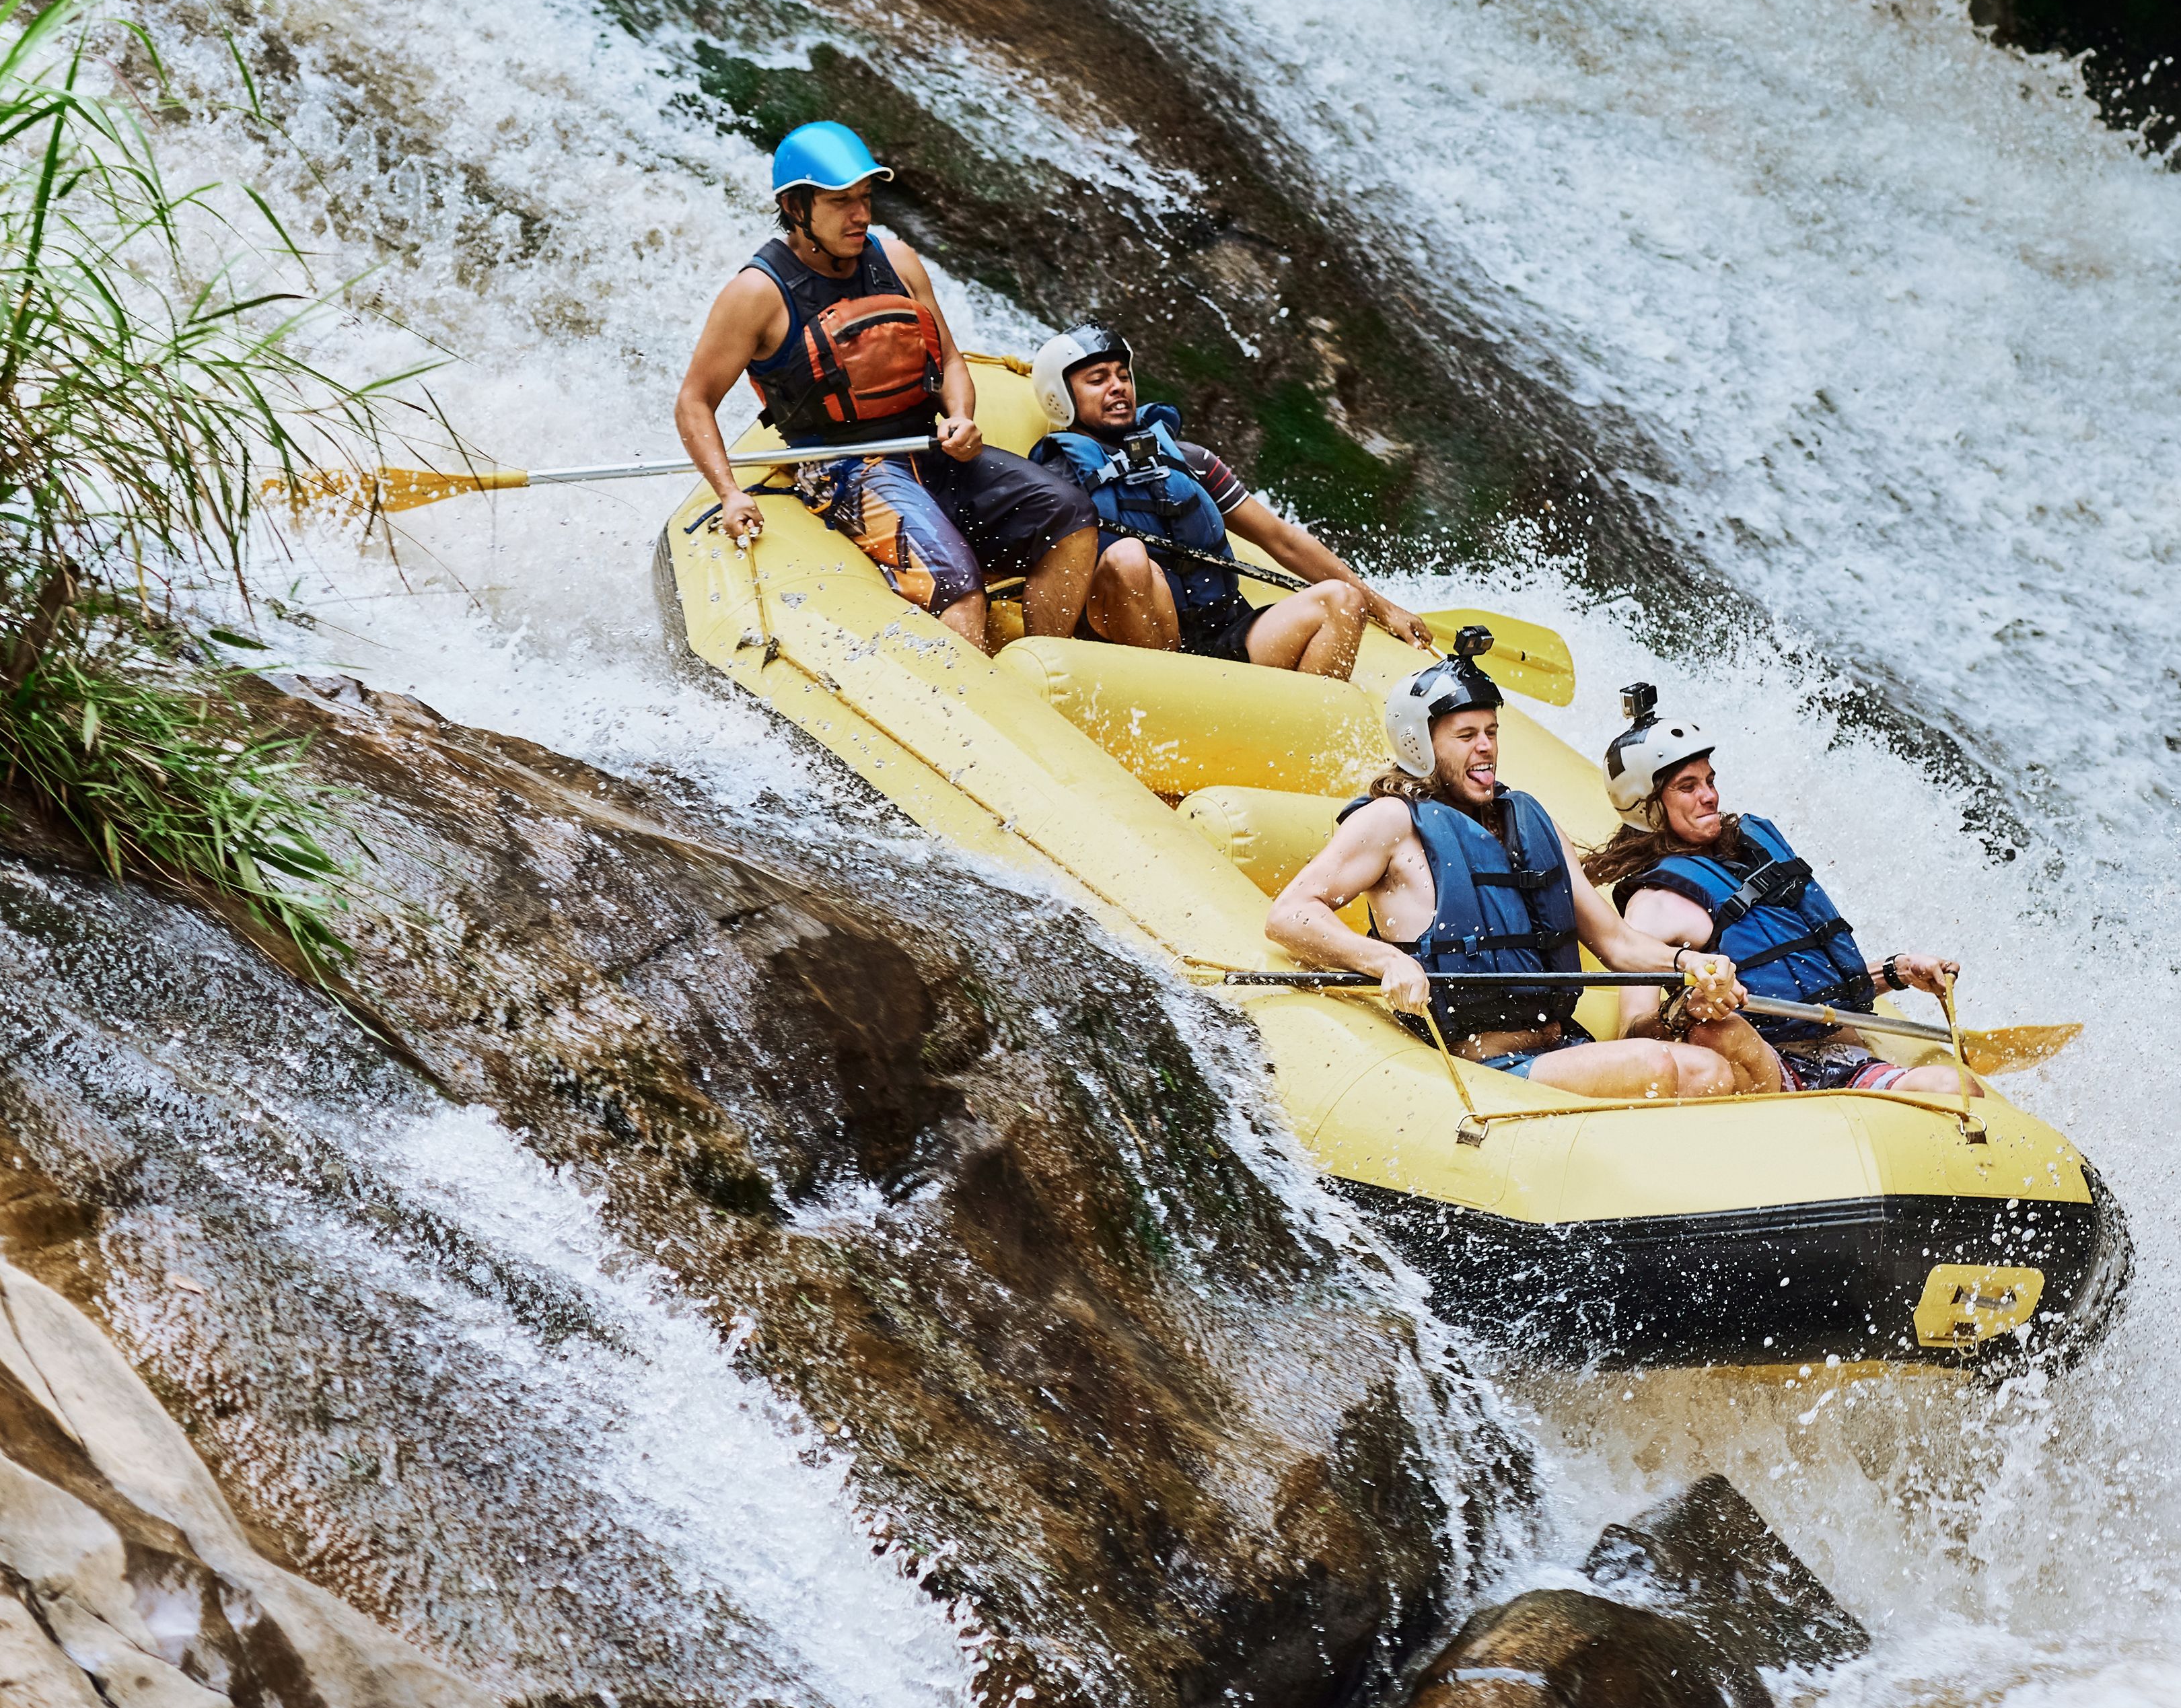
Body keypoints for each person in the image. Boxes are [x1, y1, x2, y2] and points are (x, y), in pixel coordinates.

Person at [1266, 638, 1787, 1099]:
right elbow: (1290, 915)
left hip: (1562, 1045)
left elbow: (1617, 944)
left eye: (1491, 731)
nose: (1486, 746)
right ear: (1419, 745)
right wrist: (1384, 961)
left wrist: (1686, 964)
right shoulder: (1390, 822)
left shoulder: (1527, 818)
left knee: (1721, 1061)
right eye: (1465, 735)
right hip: (1485, 1063)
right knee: (1669, 1067)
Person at [673, 124, 1100, 648]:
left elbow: (948, 360)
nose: (860, 215)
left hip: (929, 446)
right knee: (957, 586)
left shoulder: (896, 260)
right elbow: (694, 402)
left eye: (865, 198)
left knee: (1070, 511)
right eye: (840, 202)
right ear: (795, 206)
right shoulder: (757, 294)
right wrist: (729, 491)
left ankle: (1045, 669)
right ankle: (960, 711)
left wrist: (961, 416)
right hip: (845, 468)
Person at [1585, 688, 1976, 1099]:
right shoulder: (1653, 905)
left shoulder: (1755, 855)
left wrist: (1897, 971)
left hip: (1847, 1056)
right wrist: (1685, 1009)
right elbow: (1631, 1034)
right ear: (1647, 805)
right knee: (1718, 1030)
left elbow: (1810, 986)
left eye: (1710, 780)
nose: (1710, 795)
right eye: (1688, 786)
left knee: (1954, 1086)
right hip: (1766, 1066)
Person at [1020, 324, 1431, 678]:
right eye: (1098, 380)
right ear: (1061, 396)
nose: (1118, 387)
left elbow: (1281, 539)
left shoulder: (1188, 460)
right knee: (1127, 556)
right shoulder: (1055, 483)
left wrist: (1385, 608)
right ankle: (1172, 704)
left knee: (1343, 600)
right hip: (1138, 649)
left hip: (1222, 629)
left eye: (1123, 375)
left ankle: (1301, 744)